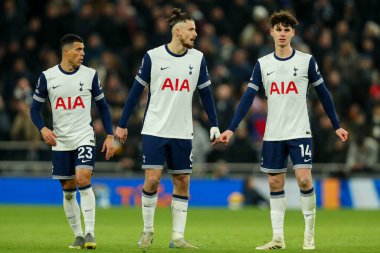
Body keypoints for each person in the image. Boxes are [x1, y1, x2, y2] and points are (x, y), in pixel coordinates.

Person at [219, 10, 348, 250]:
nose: (282, 33)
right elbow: (248, 97)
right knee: (275, 184)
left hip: (299, 131)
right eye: (278, 29)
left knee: (303, 178)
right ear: (271, 32)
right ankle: (278, 238)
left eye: (286, 29)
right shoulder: (263, 64)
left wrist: (336, 125)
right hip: (274, 134)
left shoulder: (306, 61)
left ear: (293, 33)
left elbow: (324, 94)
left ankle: (309, 234)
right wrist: (231, 128)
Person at [115, 8, 220, 250]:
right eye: (192, 29)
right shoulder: (153, 56)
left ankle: (178, 237)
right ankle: (148, 231)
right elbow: (135, 92)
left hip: (183, 131)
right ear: (178, 31)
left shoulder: (198, 58)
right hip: (155, 128)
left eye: (196, 29)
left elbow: (206, 95)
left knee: (182, 181)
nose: (196, 33)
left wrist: (214, 124)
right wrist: (121, 124)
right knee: (152, 180)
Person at [30, 34, 115, 249]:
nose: (83, 53)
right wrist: (42, 128)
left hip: (84, 135)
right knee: (67, 189)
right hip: (61, 139)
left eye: (83, 49)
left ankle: (90, 233)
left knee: (83, 178)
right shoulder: (47, 77)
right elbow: (34, 109)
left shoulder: (90, 75)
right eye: (78, 50)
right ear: (66, 51)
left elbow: (103, 107)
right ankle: (77, 234)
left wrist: (110, 135)